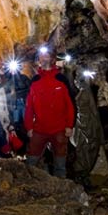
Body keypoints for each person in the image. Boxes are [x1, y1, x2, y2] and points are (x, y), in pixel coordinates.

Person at [24, 47, 75, 178]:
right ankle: (29, 188)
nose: (44, 57)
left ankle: (62, 192)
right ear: (39, 60)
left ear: (52, 59)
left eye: (47, 55)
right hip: (39, 128)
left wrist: (70, 125)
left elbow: (70, 104)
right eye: (41, 55)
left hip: (59, 128)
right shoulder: (35, 81)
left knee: (60, 164)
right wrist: (29, 126)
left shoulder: (61, 79)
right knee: (31, 163)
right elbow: (29, 106)